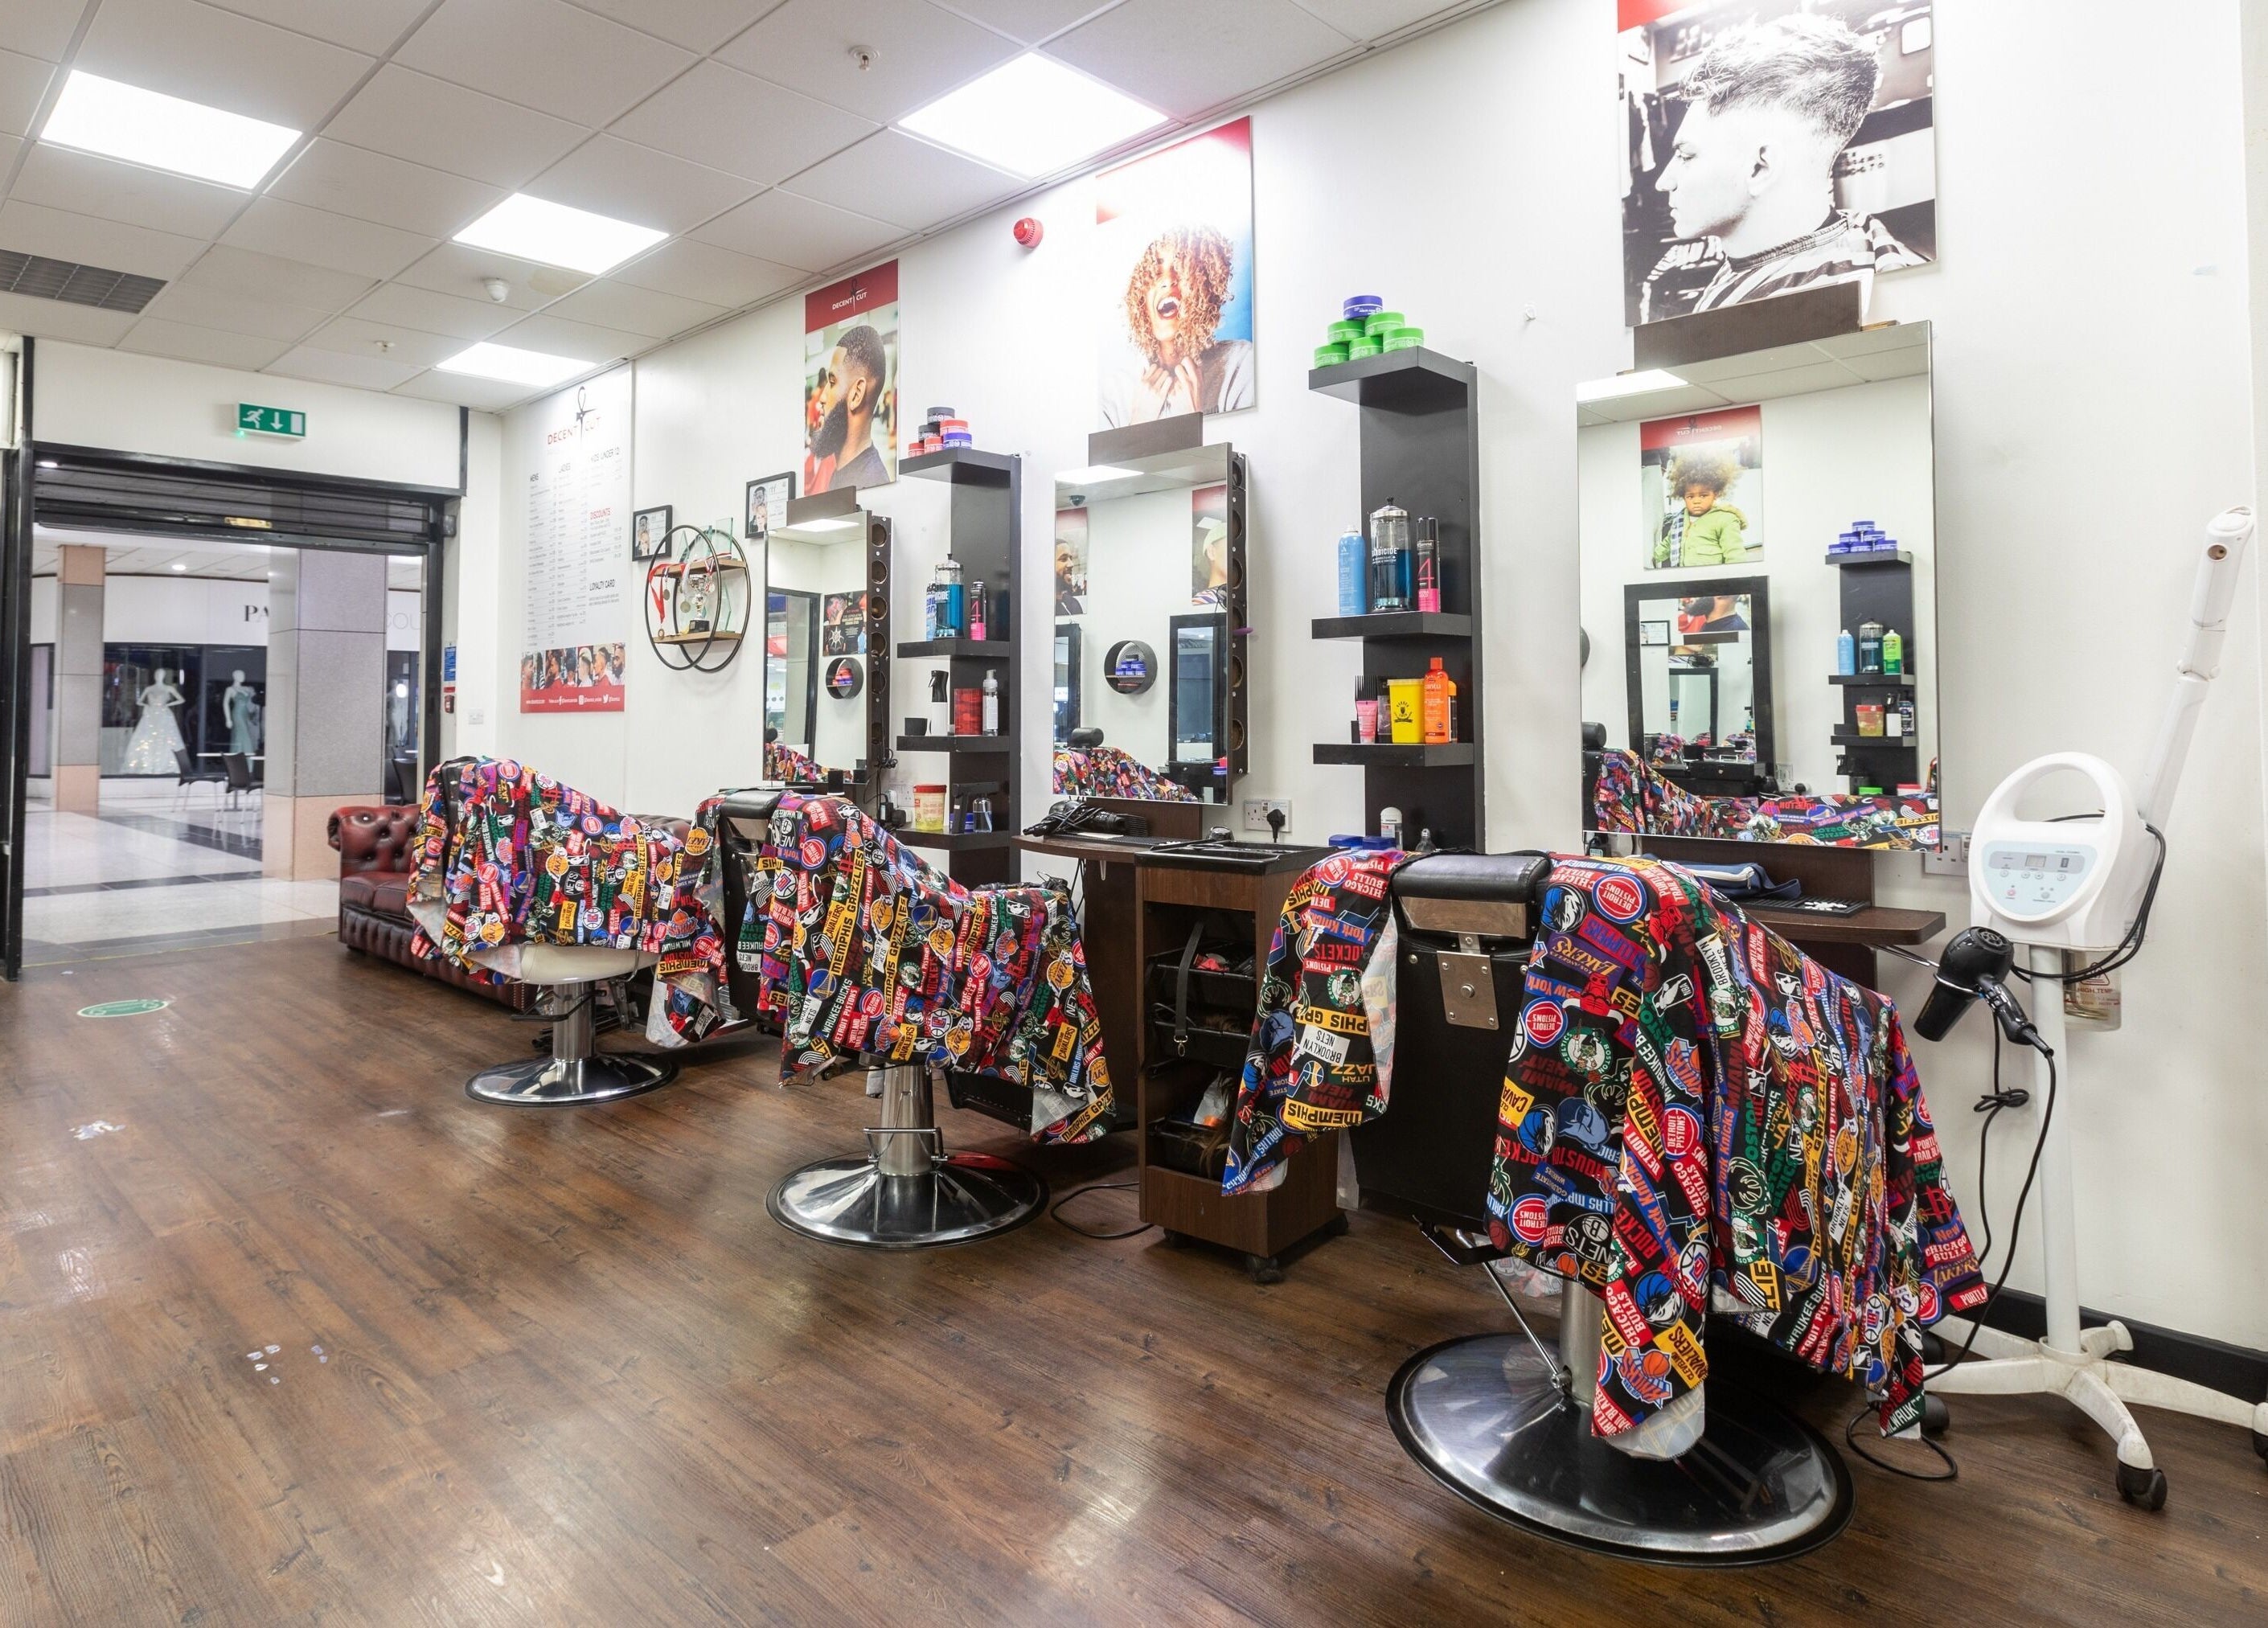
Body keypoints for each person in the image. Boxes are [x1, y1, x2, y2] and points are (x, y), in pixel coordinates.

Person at [1638, 15, 1923, 322]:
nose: (1664, 182)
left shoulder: (1845, 309)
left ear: (1760, 168)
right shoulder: (1863, 248)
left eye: (1686, 155)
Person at [1101, 224, 1255, 426]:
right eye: (1155, 272)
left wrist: (1193, 418)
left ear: (1205, 286)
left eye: (1182, 268)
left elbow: (1251, 450)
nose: (1168, 281)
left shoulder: (1240, 365)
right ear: (1139, 296)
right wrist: (1139, 423)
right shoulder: (1115, 392)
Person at [808, 325, 891, 494]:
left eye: (832, 383)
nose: (821, 399)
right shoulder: (841, 474)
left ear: (856, 394)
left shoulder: (871, 481)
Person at [1651, 449, 1750, 567]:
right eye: (1690, 496)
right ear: (1683, 496)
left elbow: (1735, 554)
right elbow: (1668, 544)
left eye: (1703, 495)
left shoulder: (1726, 520)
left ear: (1716, 494)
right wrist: (1651, 558)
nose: (1697, 501)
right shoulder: (1680, 520)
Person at [120, 668, 187, 774]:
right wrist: (147, 705)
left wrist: (168, 704)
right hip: (150, 716)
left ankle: (163, 765)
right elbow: (139, 702)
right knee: (147, 738)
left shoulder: (168, 688)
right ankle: (147, 764)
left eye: (160, 674)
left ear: (163, 676)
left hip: (163, 716)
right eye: (157, 674)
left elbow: (181, 700)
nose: (158, 676)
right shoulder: (149, 689)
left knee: (164, 739)